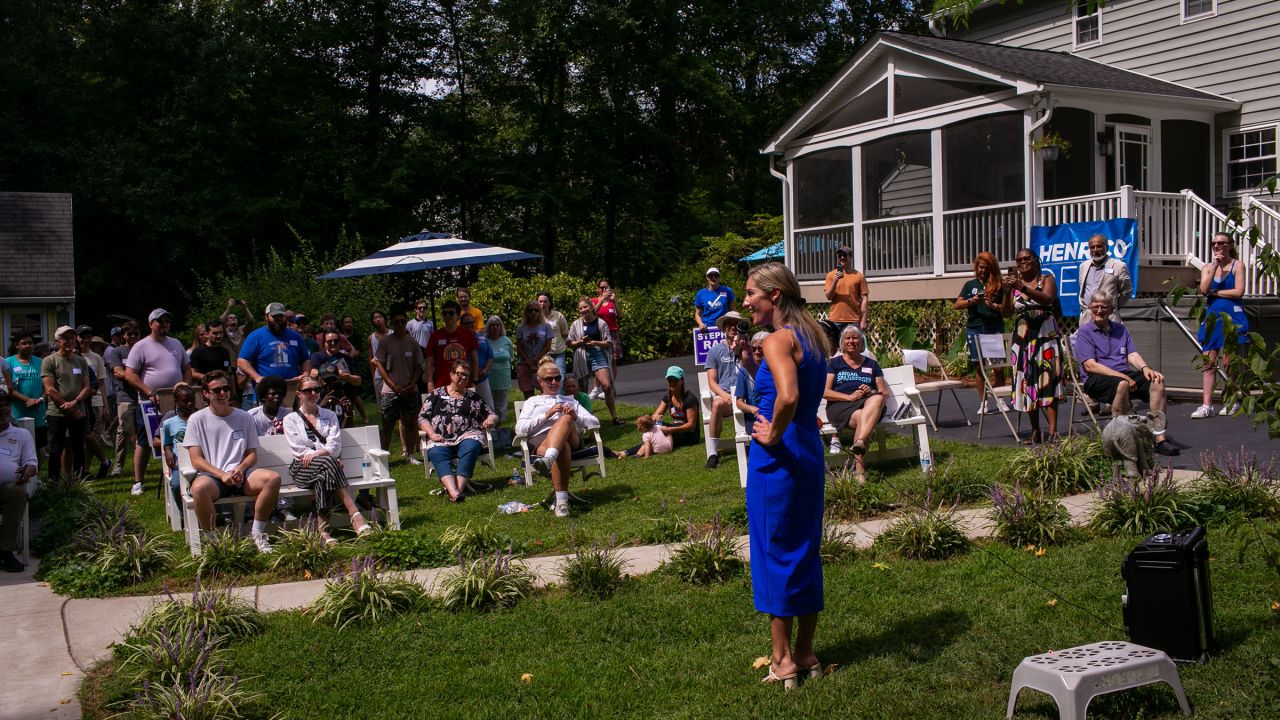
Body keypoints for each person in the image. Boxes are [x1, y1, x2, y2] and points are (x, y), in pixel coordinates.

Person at [742, 261, 831, 689]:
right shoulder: (814, 336)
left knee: (773, 549)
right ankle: (807, 652)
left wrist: (773, 433)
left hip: (779, 455)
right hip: (809, 452)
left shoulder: (779, 339)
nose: (745, 303)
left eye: (751, 294)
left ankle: (782, 660)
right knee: (804, 548)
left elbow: (789, 395)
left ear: (774, 295)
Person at [182, 370, 282, 553]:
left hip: (241, 474)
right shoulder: (197, 420)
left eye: (226, 388)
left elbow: (252, 454)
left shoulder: (244, 417)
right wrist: (221, 474)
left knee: (273, 478)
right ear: (206, 394)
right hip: (213, 477)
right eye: (217, 390)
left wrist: (240, 468)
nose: (223, 393)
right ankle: (214, 541)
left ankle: (258, 534)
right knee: (198, 488)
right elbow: (196, 460)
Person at [1074, 290, 1179, 456]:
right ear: (1089, 308)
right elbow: (1090, 366)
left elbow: (1132, 355)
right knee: (1122, 384)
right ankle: (1121, 440)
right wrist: (1123, 376)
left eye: (1103, 307)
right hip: (1096, 379)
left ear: (1111, 309)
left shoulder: (1120, 329)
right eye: (1095, 307)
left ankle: (1159, 438)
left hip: (1123, 374)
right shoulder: (1085, 332)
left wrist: (1146, 369)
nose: (1099, 310)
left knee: (1157, 382)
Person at [284, 376, 372, 543]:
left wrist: (320, 456)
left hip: (324, 466)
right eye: (308, 390)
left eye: (316, 389)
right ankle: (355, 515)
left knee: (325, 474)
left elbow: (335, 446)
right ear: (298, 394)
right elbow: (300, 451)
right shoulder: (291, 420)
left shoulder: (329, 415)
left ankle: (323, 532)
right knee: (330, 463)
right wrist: (327, 457)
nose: (313, 393)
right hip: (302, 469)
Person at [513, 358, 600, 517]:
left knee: (566, 419)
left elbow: (594, 422)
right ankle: (562, 504)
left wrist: (575, 416)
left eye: (557, 378)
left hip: (571, 438)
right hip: (542, 441)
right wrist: (547, 415)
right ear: (540, 381)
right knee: (562, 447)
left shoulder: (569, 400)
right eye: (549, 379)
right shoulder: (532, 401)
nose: (554, 382)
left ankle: (548, 459)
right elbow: (520, 428)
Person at [124, 308, 192, 495]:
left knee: (181, 435)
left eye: (167, 322)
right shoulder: (141, 346)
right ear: (151, 324)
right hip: (149, 402)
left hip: (177, 400)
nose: (164, 325)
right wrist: (149, 392)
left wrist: (185, 386)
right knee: (145, 441)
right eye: (160, 322)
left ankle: (182, 471)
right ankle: (138, 482)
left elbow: (186, 368)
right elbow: (130, 374)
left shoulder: (176, 344)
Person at [1005, 248, 1063, 443]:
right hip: (1022, 341)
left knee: (1047, 381)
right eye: (1019, 259)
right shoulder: (1015, 286)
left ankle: (1053, 432)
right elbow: (1006, 312)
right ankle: (1035, 431)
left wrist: (1022, 287)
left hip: (1045, 338)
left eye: (1027, 258)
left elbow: (1047, 298)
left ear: (1036, 260)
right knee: (1027, 383)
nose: (1023, 262)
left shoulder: (1047, 279)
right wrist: (1006, 292)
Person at [419, 361, 498, 503]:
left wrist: (491, 419)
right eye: (459, 374)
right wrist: (431, 434)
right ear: (451, 375)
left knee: (471, 446)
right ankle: (453, 491)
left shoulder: (473, 397)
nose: (463, 378)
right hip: (440, 437)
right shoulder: (437, 394)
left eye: (466, 376)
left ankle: (457, 491)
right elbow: (422, 417)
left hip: (467, 434)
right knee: (437, 453)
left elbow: (491, 413)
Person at [1193, 232, 1249, 419]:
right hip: (1212, 317)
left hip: (1232, 316)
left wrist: (1215, 292)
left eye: (1221, 243)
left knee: (1229, 362)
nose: (1216, 246)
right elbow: (1203, 289)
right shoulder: (1208, 267)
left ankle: (1232, 400)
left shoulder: (1237, 265)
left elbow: (1238, 291)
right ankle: (1207, 405)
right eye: (1214, 243)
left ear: (1229, 245)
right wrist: (1215, 266)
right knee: (1208, 361)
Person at [823, 326, 887, 480]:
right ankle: (859, 472)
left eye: (855, 338)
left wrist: (871, 392)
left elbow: (884, 393)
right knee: (863, 419)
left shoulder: (872, 365)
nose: (851, 341)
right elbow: (824, 392)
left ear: (861, 342)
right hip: (840, 406)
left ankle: (859, 443)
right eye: (848, 338)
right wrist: (849, 397)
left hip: (868, 405)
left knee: (877, 399)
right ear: (842, 343)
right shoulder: (834, 363)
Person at [956, 252, 1012, 415]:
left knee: (998, 367)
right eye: (980, 267)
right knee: (979, 367)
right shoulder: (969, 284)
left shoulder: (999, 285)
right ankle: (983, 403)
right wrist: (971, 301)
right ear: (976, 267)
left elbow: (1007, 309)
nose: (983, 271)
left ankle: (1000, 398)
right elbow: (957, 304)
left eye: (986, 268)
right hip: (975, 328)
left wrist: (992, 304)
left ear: (992, 268)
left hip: (993, 327)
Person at [372, 307, 426, 465]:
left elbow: (419, 366)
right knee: (387, 424)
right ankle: (382, 458)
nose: (400, 324)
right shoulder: (386, 342)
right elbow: (379, 365)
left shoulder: (412, 342)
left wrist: (412, 384)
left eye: (403, 321)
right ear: (392, 323)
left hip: (410, 389)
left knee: (410, 422)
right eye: (397, 322)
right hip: (390, 391)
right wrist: (392, 385)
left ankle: (409, 454)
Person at [42, 326, 92, 483]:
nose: (70, 341)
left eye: (72, 338)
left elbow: (87, 387)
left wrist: (75, 403)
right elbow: (50, 389)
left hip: (78, 410)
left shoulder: (81, 360)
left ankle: (79, 481)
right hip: (57, 413)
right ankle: (54, 482)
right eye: (65, 338)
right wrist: (68, 406)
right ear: (58, 341)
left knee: (79, 448)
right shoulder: (50, 361)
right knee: (56, 448)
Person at [568, 297, 622, 425]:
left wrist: (595, 343)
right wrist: (580, 341)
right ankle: (583, 419)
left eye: (585, 307)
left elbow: (608, 342)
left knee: (606, 386)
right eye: (580, 308)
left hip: (597, 353)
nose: (583, 310)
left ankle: (614, 417)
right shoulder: (576, 324)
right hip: (581, 355)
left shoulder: (601, 323)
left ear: (591, 307)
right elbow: (570, 342)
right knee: (581, 389)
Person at [0, 391, 37, 572]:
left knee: (17, 491)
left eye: (5, 405)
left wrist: (27, 472)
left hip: (7, 489)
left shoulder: (21, 434)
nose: (2, 409)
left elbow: (32, 464)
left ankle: (5, 551)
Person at [703, 310, 745, 469]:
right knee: (717, 405)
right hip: (726, 397)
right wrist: (725, 395)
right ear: (724, 327)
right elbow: (712, 382)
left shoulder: (748, 347)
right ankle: (713, 454)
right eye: (729, 324)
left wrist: (741, 347)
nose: (732, 327)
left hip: (746, 396)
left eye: (736, 324)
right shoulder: (714, 351)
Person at [237, 302, 311, 385]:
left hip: (292, 387)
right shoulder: (256, 336)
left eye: (281, 316)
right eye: (275, 316)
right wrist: (256, 377)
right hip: (266, 389)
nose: (278, 319)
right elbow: (242, 361)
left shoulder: (295, 336)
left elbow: (306, 359)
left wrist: (305, 375)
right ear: (266, 317)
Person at [76, 327, 113, 478]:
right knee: (86, 436)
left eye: (88, 337)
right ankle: (96, 464)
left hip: (95, 400)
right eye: (82, 337)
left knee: (91, 436)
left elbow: (101, 383)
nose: (85, 340)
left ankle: (86, 468)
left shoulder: (96, 358)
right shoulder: (74, 356)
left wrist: (105, 405)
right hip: (78, 401)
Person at [105, 321, 140, 475]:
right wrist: (134, 376)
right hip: (125, 395)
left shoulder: (143, 349)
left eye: (135, 334)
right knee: (124, 429)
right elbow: (117, 373)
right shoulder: (117, 352)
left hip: (143, 394)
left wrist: (127, 375)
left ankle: (139, 464)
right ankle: (118, 465)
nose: (132, 336)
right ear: (124, 335)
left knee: (142, 431)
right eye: (129, 334)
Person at [6, 333, 48, 455]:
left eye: (30, 343)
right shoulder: (9, 362)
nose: (28, 345)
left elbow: (48, 387)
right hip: (17, 413)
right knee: (18, 449)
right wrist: (27, 400)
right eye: (24, 343)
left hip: (38, 412)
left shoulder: (41, 362)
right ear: (17, 345)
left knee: (38, 448)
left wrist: (40, 399)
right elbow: (8, 388)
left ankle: (37, 473)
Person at [424, 300, 479, 393]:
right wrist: (430, 383)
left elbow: (474, 359)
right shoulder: (435, 336)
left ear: (458, 316)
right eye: (444, 313)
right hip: (442, 385)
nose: (447, 316)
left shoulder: (468, 334)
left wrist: (475, 381)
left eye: (451, 313)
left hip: (464, 384)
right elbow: (429, 362)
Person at [1077, 233, 1132, 322]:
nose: (1095, 250)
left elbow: (1126, 291)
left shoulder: (1119, 266)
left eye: (1099, 246)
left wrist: (1112, 306)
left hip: (1108, 319)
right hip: (1087, 319)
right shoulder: (1083, 266)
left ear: (1106, 247)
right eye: (1092, 247)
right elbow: (1083, 290)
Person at [160, 384, 197, 510]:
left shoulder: (201, 419)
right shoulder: (169, 423)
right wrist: (167, 450)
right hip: (180, 464)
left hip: (202, 461)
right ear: (176, 402)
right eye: (186, 401)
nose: (190, 404)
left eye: (192, 400)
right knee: (176, 485)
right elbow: (167, 443)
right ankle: (184, 513)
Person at [823, 245, 870, 337]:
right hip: (835, 320)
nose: (842, 257)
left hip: (854, 320)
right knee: (836, 349)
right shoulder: (831, 275)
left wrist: (864, 320)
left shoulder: (859, 276)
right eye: (840, 256)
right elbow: (828, 296)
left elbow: (864, 299)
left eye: (845, 255)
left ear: (850, 256)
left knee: (854, 348)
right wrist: (835, 281)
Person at [650, 366, 700, 450]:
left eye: (675, 380)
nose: (672, 382)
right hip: (675, 430)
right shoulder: (668, 397)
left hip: (689, 436)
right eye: (670, 380)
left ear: (682, 380)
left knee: (655, 437)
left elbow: (691, 426)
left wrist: (671, 430)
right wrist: (655, 416)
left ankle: (629, 452)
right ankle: (628, 452)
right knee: (654, 427)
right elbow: (656, 414)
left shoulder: (689, 398)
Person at [515, 300, 554, 399]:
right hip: (524, 363)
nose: (533, 313)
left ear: (539, 312)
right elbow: (519, 347)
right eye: (530, 310)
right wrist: (528, 360)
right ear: (526, 312)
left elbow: (548, 346)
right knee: (528, 395)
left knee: (546, 391)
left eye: (536, 310)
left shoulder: (546, 327)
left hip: (542, 362)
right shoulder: (521, 328)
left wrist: (537, 358)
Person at [591, 278, 622, 392]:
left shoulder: (611, 302)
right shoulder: (593, 300)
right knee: (598, 360)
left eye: (606, 287)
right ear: (598, 289)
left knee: (613, 360)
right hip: (598, 334)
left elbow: (619, 315)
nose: (604, 289)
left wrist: (614, 301)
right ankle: (596, 388)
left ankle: (610, 386)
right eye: (602, 288)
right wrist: (601, 300)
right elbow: (592, 312)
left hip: (612, 333)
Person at [462, 313, 495, 414]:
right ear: (461, 324)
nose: (470, 325)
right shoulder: (460, 339)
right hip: (465, 379)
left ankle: (491, 428)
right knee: (468, 407)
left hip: (482, 378)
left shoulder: (482, 338)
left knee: (488, 405)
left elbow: (490, 357)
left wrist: (485, 370)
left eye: (472, 322)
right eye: (467, 323)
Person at [735, 331, 770, 427]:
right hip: (753, 419)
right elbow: (739, 402)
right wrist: (751, 409)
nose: (756, 352)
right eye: (753, 348)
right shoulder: (744, 370)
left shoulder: (774, 368)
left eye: (760, 349)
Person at [485, 315, 514, 424]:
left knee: (502, 404)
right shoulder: (485, 340)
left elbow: (510, 357)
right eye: (492, 325)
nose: (495, 327)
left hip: (503, 375)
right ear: (488, 327)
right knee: (489, 403)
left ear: (501, 326)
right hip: (489, 376)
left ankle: (502, 426)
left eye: (497, 325)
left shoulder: (507, 340)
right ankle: (491, 426)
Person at [537, 291, 570, 376]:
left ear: (550, 303)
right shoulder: (535, 318)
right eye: (540, 301)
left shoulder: (558, 316)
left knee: (560, 377)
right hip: (543, 353)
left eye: (545, 301)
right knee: (545, 378)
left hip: (558, 352)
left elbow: (565, 333)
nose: (542, 304)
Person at [368, 310, 389, 396]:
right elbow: (370, 357)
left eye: (380, 317)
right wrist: (373, 376)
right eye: (375, 318)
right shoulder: (371, 338)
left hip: (393, 374)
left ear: (384, 319)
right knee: (382, 402)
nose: (378, 319)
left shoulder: (393, 334)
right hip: (379, 376)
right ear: (373, 321)